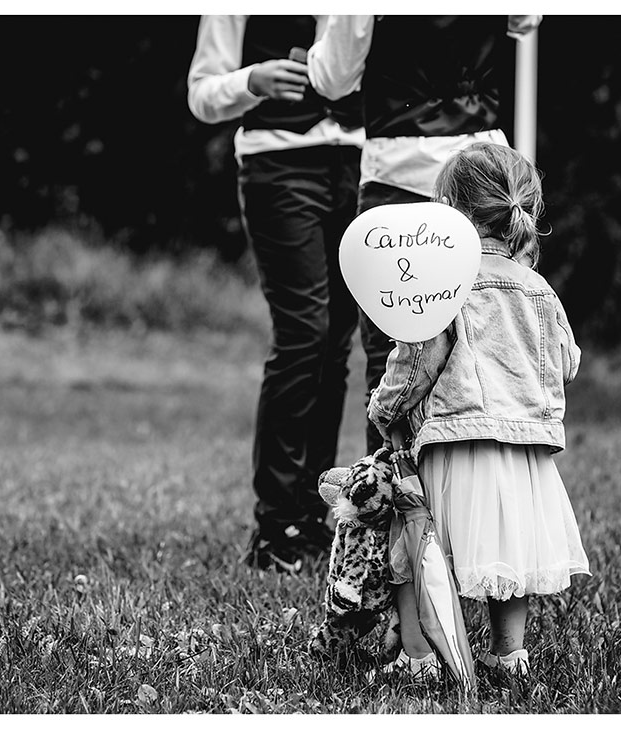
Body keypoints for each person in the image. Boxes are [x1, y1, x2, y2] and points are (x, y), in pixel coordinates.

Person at [368, 142, 590, 678]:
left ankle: (419, 656)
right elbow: (567, 361)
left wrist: (386, 408)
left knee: (416, 547)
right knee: (505, 557)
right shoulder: (540, 288)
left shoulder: (446, 282)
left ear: (449, 209)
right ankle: (509, 655)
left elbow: (421, 358)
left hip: (455, 440)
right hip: (525, 453)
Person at [308, 14, 540, 455]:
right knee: (493, 349)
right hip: (483, 177)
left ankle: (391, 514)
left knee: (390, 364)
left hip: (401, 180)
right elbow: (525, 18)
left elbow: (332, 79)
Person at [187, 16, 365, 573]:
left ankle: (315, 513)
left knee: (337, 341)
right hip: (278, 165)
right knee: (303, 335)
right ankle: (275, 526)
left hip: (358, 161)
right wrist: (251, 81)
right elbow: (201, 94)